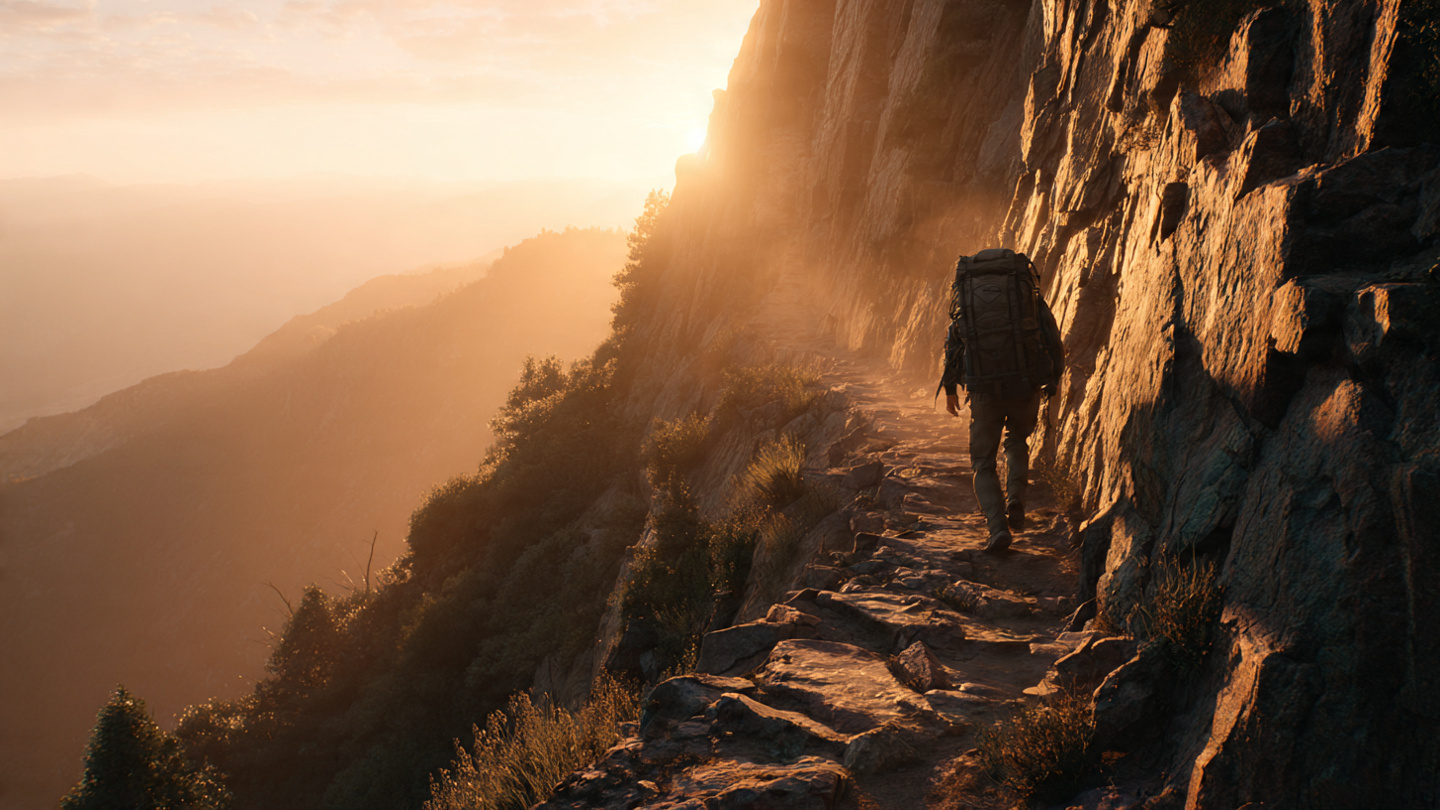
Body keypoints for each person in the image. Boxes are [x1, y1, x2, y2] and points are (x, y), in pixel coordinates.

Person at [939, 248, 1064, 552]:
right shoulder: (1027, 299)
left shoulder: (966, 300)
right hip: (1024, 384)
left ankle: (997, 527)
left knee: (983, 462)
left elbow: (954, 344)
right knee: (1018, 440)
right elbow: (1052, 339)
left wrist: (951, 390)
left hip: (982, 390)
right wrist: (1053, 379)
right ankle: (1016, 501)